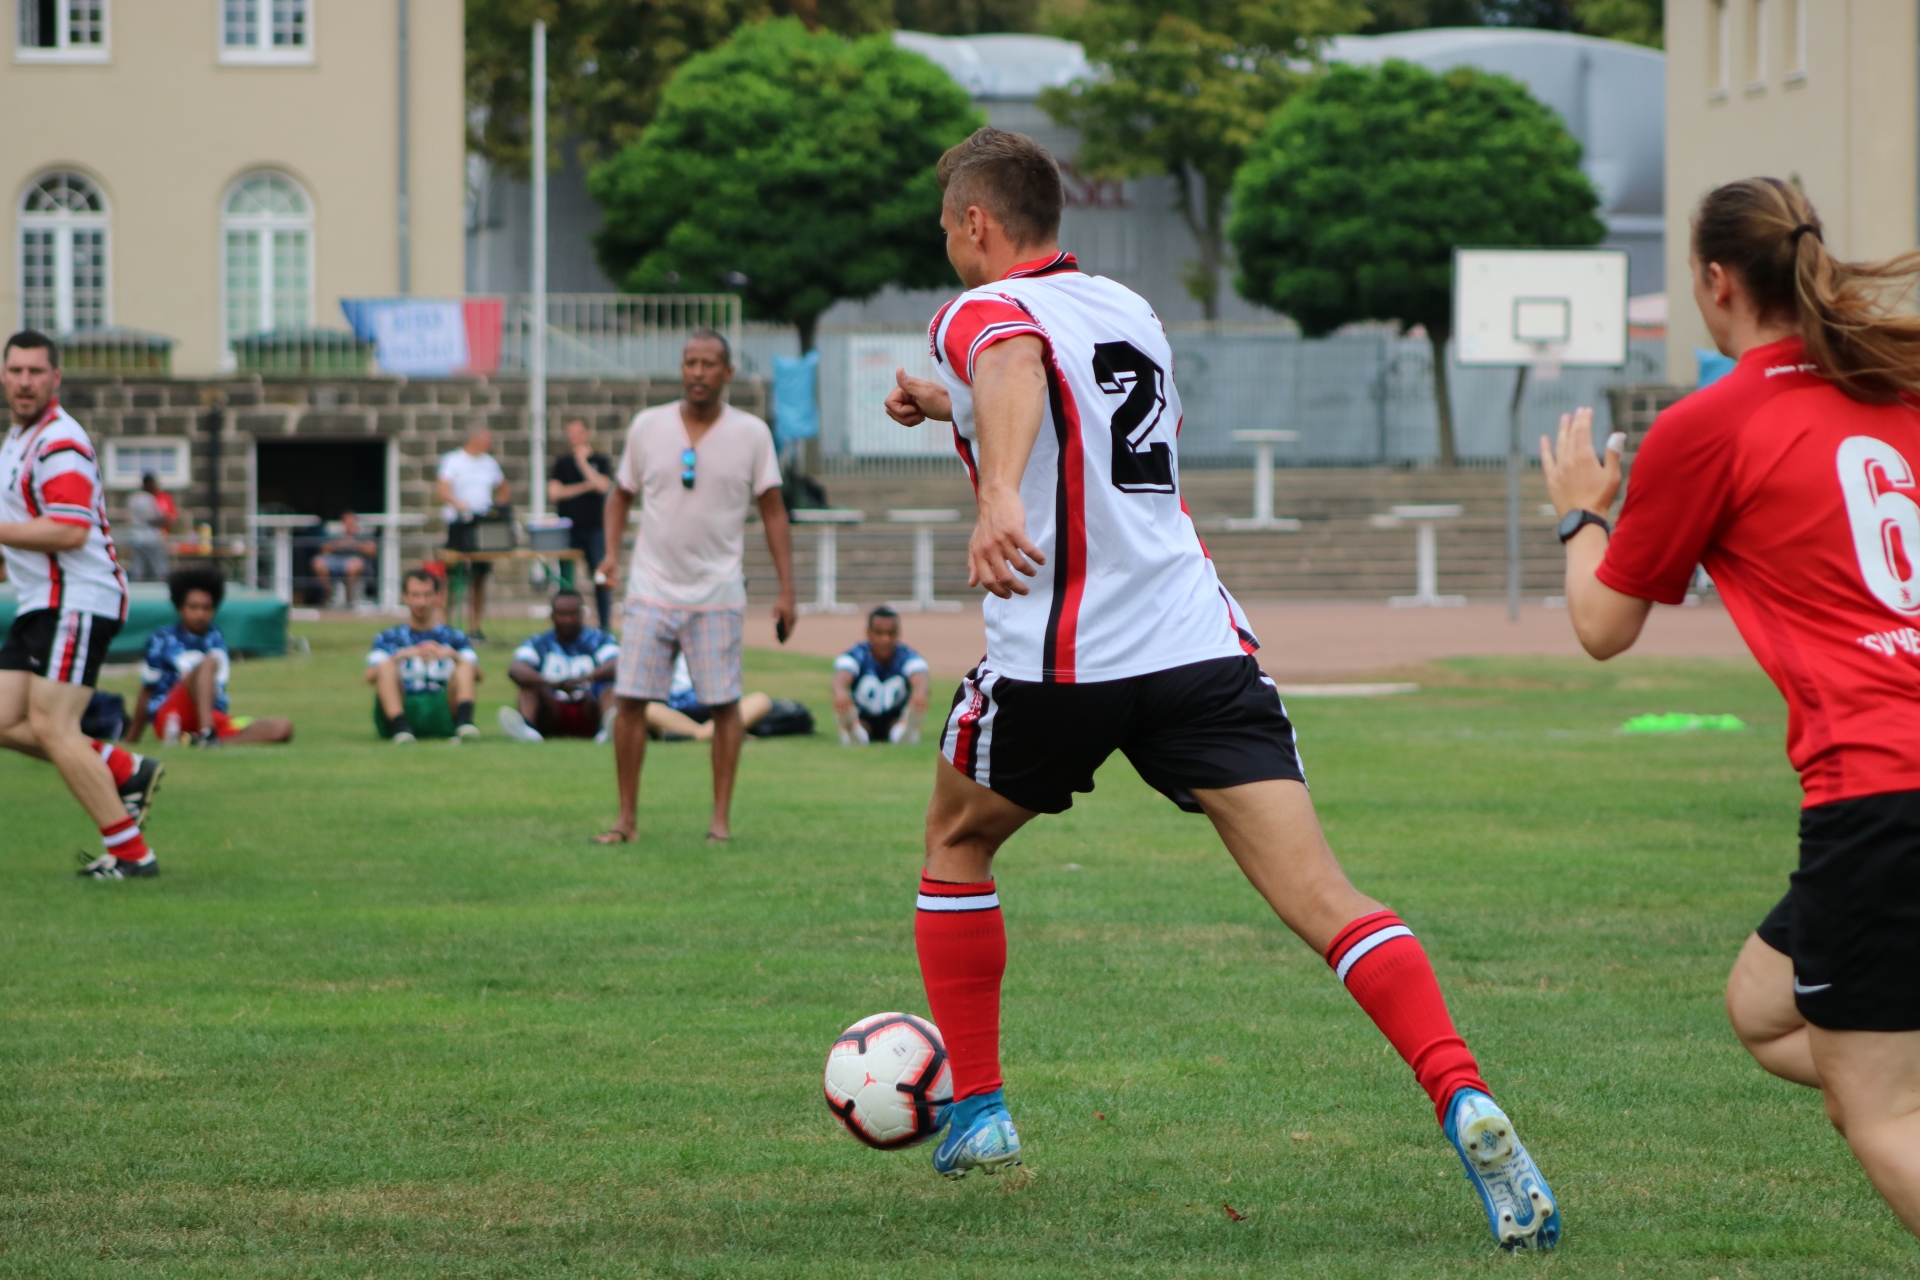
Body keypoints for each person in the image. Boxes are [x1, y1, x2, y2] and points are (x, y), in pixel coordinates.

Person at [878, 128, 1558, 1248]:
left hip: (1061, 659)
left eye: (948, 226)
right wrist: (942, 403)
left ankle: (982, 1111)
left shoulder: (978, 310)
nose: (947, 244)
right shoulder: (1127, 310)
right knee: (1326, 895)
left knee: (957, 839)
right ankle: (1464, 1094)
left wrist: (995, 494)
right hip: (1198, 649)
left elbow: (1010, 364)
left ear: (977, 225)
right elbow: (1063, 405)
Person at [1541, 177, 1920, 1239]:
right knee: (1763, 1006)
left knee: (1879, 1109)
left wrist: (1580, 515)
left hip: (1882, 789)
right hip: (1895, 789)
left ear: (1716, 281)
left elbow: (1603, 627)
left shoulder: (1709, 424)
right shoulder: (1896, 394)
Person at [596, 329, 797, 844]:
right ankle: (625, 820)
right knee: (630, 701)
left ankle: (719, 822)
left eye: (709, 364)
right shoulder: (648, 426)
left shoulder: (751, 434)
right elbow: (619, 496)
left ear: (728, 373)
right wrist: (611, 555)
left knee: (725, 705)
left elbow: (773, 512)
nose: (698, 372)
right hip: (650, 588)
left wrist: (787, 590)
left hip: (718, 593)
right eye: (690, 362)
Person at [0, 330, 165, 879]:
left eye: (35, 372)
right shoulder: (17, 440)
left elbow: (69, 531)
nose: (25, 382)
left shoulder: (60, 441)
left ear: (56, 378)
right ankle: (124, 768)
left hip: (77, 598)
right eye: (16, 371)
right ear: (3, 376)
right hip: (40, 602)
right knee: (4, 720)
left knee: (53, 727)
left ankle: (131, 854)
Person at [127, 567, 293, 746]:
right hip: (172, 716)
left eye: (206, 608)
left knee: (282, 727)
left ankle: (208, 741)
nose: (200, 614)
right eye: (193, 607)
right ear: (180, 608)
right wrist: (132, 738)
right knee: (208, 664)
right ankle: (207, 733)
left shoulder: (216, 637)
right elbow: (148, 689)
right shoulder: (163, 638)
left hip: (212, 714)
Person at [366, 568, 481, 743]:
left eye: (427, 595)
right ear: (404, 598)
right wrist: (401, 656)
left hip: (443, 706)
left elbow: (477, 673)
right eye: (415, 595)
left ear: (437, 597)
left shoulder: (454, 637)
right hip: (405, 702)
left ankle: (464, 723)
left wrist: (451, 655)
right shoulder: (389, 638)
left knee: (465, 663)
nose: (422, 602)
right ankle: (400, 728)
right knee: (385, 665)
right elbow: (370, 675)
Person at [498, 588, 619, 742]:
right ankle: (527, 729)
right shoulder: (539, 642)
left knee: (607, 687)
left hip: (589, 708)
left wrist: (585, 678)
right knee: (528, 687)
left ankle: (608, 729)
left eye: (572, 614)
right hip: (552, 711)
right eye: (562, 614)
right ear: (552, 616)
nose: (567, 620)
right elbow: (516, 669)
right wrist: (552, 683)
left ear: (582, 614)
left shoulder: (600, 639)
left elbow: (617, 665)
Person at [437, 425, 509, 639]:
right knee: (451, 576)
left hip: (482, 524)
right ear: (474, 438)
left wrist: (497, 508)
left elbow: (504, 487)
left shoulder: (489, 463)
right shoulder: (453, 460)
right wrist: (458, 504)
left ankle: (475, 627)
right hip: (459, 524)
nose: (489, 443)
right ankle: (444, 625)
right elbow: (443, 489)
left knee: (479, 577)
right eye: (486, 438)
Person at [548, 419, 615, 629]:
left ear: (587, 433)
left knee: (600, 577)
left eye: (578, 432)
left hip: (595, 529)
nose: (574, 437)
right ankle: (566, 624)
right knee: (566, 580)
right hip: (568, 530)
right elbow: (555, 493)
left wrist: (583, 463)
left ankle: (604, 626)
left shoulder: (600, 460)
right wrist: (586, 486)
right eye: (571, 433)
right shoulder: (561, 463)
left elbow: (603, 486)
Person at [833, 605, 930, 745]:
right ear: (869, 633)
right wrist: (840, 691)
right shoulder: (857, 653)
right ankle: (852, 731)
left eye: (891, 634)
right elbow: (842, 674)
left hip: (895, 716)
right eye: (879, 633)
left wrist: (920, 692)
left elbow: (919, 675)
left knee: (897, 727)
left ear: (898, 633)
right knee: (861, 726)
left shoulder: (906, 655)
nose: (885, 639)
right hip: (863, 716)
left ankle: (906, 732)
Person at [647, 652, 774, 742]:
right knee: (648, 709)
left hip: (714, 707)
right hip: (672, 710)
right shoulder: (661, 650)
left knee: (760, 700)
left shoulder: (710, 647)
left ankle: (697, 735)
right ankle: (718, 734)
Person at [312, 511, 377, 605]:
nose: (348, 524)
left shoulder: (362, 534)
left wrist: (354, 544)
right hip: (336, 561)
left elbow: (372, 551)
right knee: (318, 562)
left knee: (353, 564)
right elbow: (323, 550)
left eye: (351, 521)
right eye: (346, 521)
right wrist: (338, 543)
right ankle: (329, 592)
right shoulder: (335, 534)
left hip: (356, 562)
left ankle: (349, 597)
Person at [124, 472, 175, 583]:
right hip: (151, 537)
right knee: (158, 567)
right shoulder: (149, 498)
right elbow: (152, 518)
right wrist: (164, 518)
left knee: (138, 567)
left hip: (135, 536)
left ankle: (137, 588)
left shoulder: (133, 498)